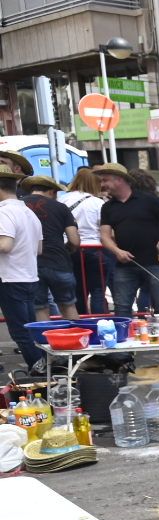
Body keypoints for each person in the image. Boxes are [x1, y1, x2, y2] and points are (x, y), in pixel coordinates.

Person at [96, 161, 159, 315]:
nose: (102, 184)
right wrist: (117, 251)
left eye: (105, 180)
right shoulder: (107, 207)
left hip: (155, 263)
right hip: (125, 265)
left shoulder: (150, 200)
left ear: (119, 179)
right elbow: (104, 236)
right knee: (122, 308)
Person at [0, 157, 43, 373]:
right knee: (30, 329)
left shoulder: (4, 212)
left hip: (10, 278)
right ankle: (44, 367)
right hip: (28, 276)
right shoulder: (29, 212)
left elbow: (5, 245)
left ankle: (39, 369)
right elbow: (39, 249)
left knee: (20, 332)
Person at [22, 175, 79, 320]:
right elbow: (74, 240)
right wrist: (67, 249)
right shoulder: (60, 207)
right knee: (68, 305)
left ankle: (44, 341)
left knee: (40, 307)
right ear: (51, 191)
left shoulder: (19, 205)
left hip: (31, 264)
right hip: (59, 262)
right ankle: (74, 340)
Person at [61, 168, 107, 314]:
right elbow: (104, 227)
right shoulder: (97, 202)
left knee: (79, 290)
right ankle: (99, 321)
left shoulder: (63, 200)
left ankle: (82, 322)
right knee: (98, 290)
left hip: (71, 248)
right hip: (95, 249)